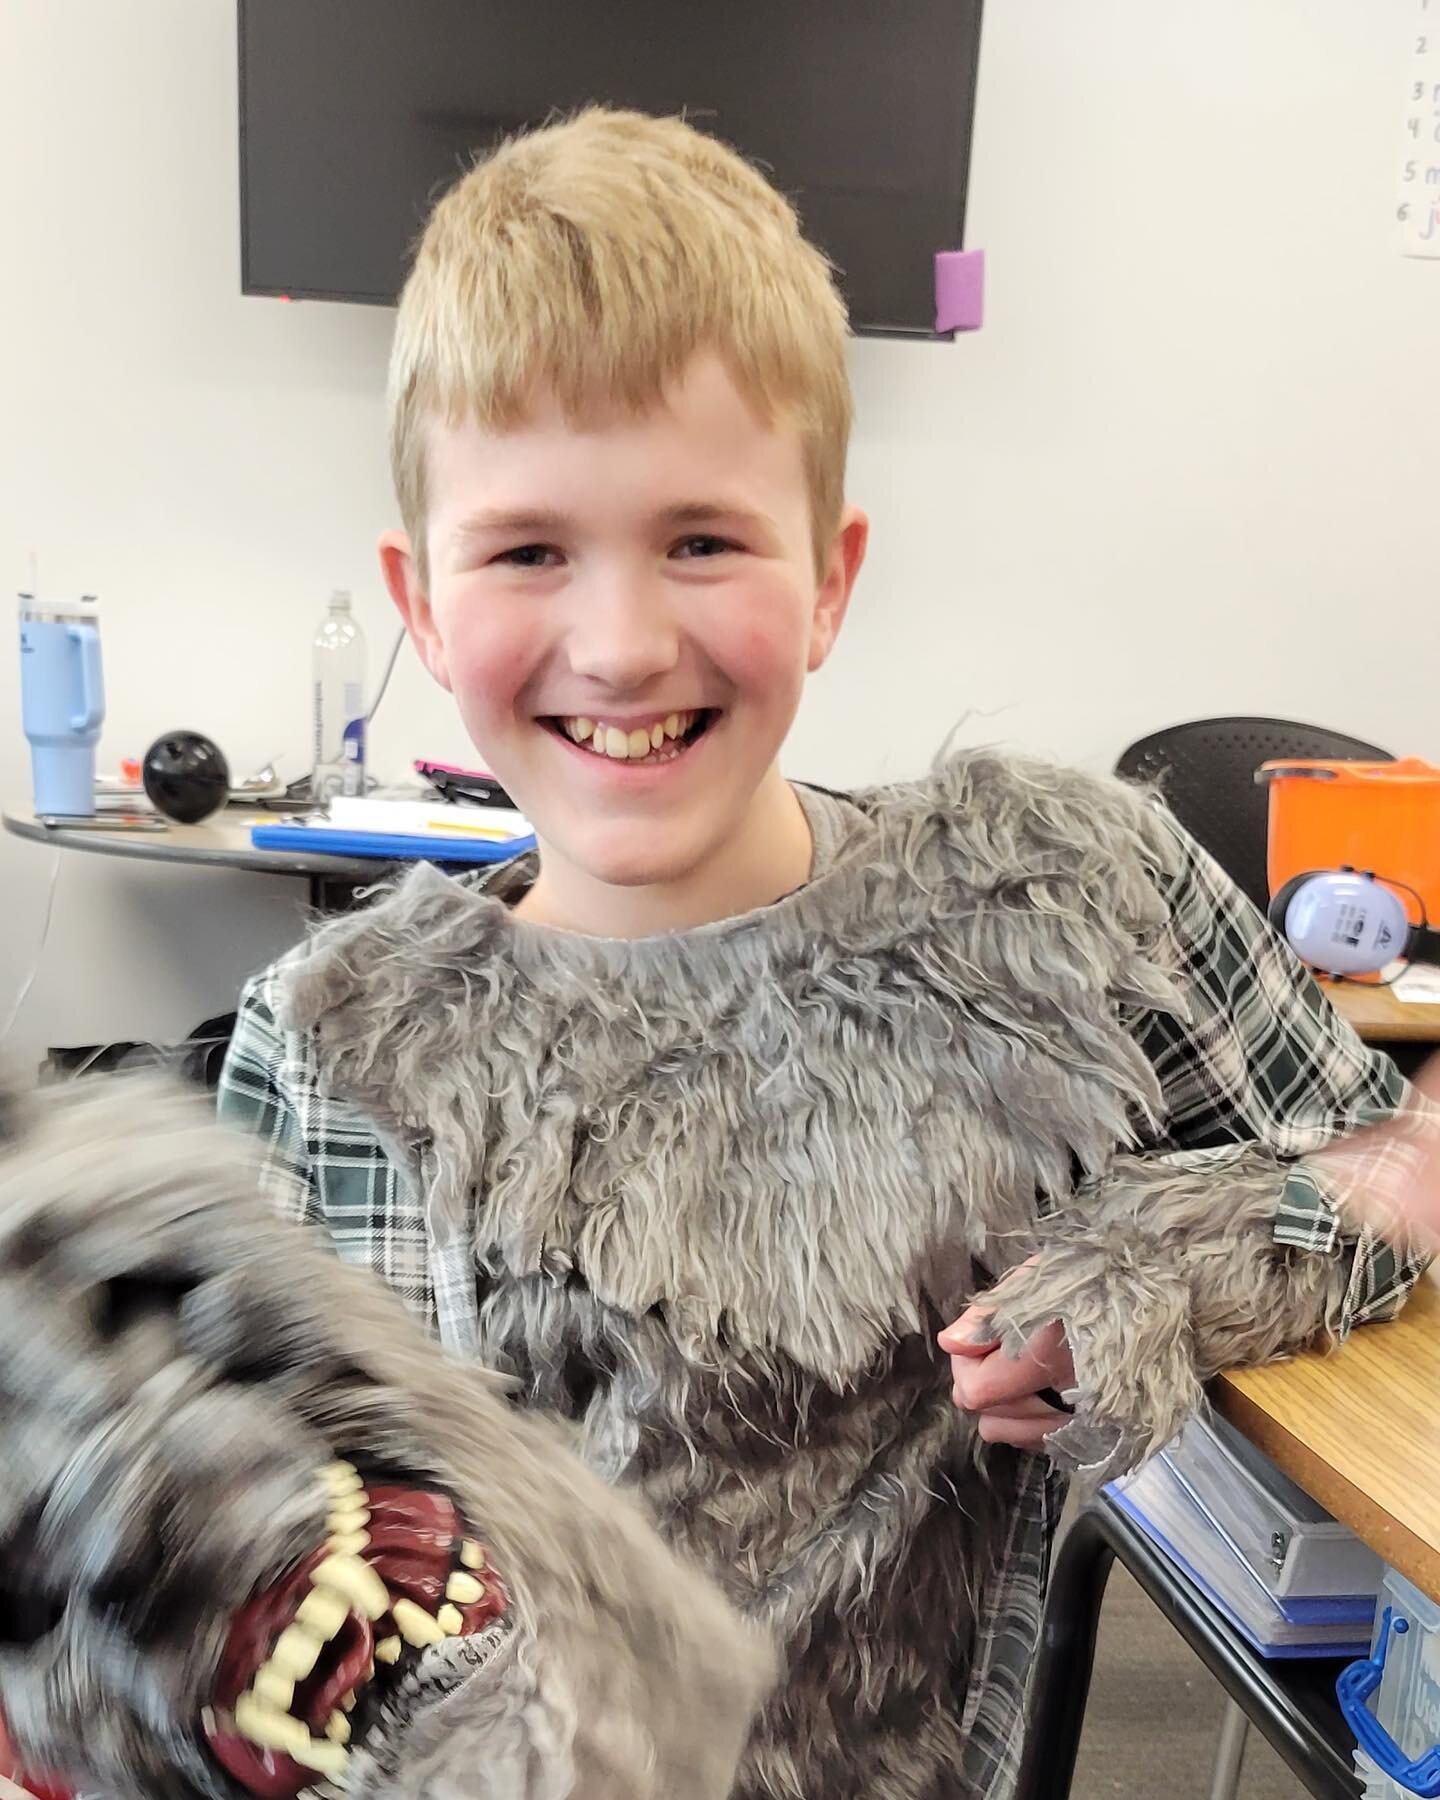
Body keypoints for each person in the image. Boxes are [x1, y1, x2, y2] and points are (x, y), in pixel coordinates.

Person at [219, 106, 1428, 1799]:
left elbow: (1398, 1160)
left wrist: (1159, 1269)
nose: (622, 644)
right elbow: (259, 1592)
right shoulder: (334, 1051)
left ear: (830, 579)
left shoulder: (1048, 900)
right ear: (421, 602)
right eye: (529, 550)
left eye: (703, 539)